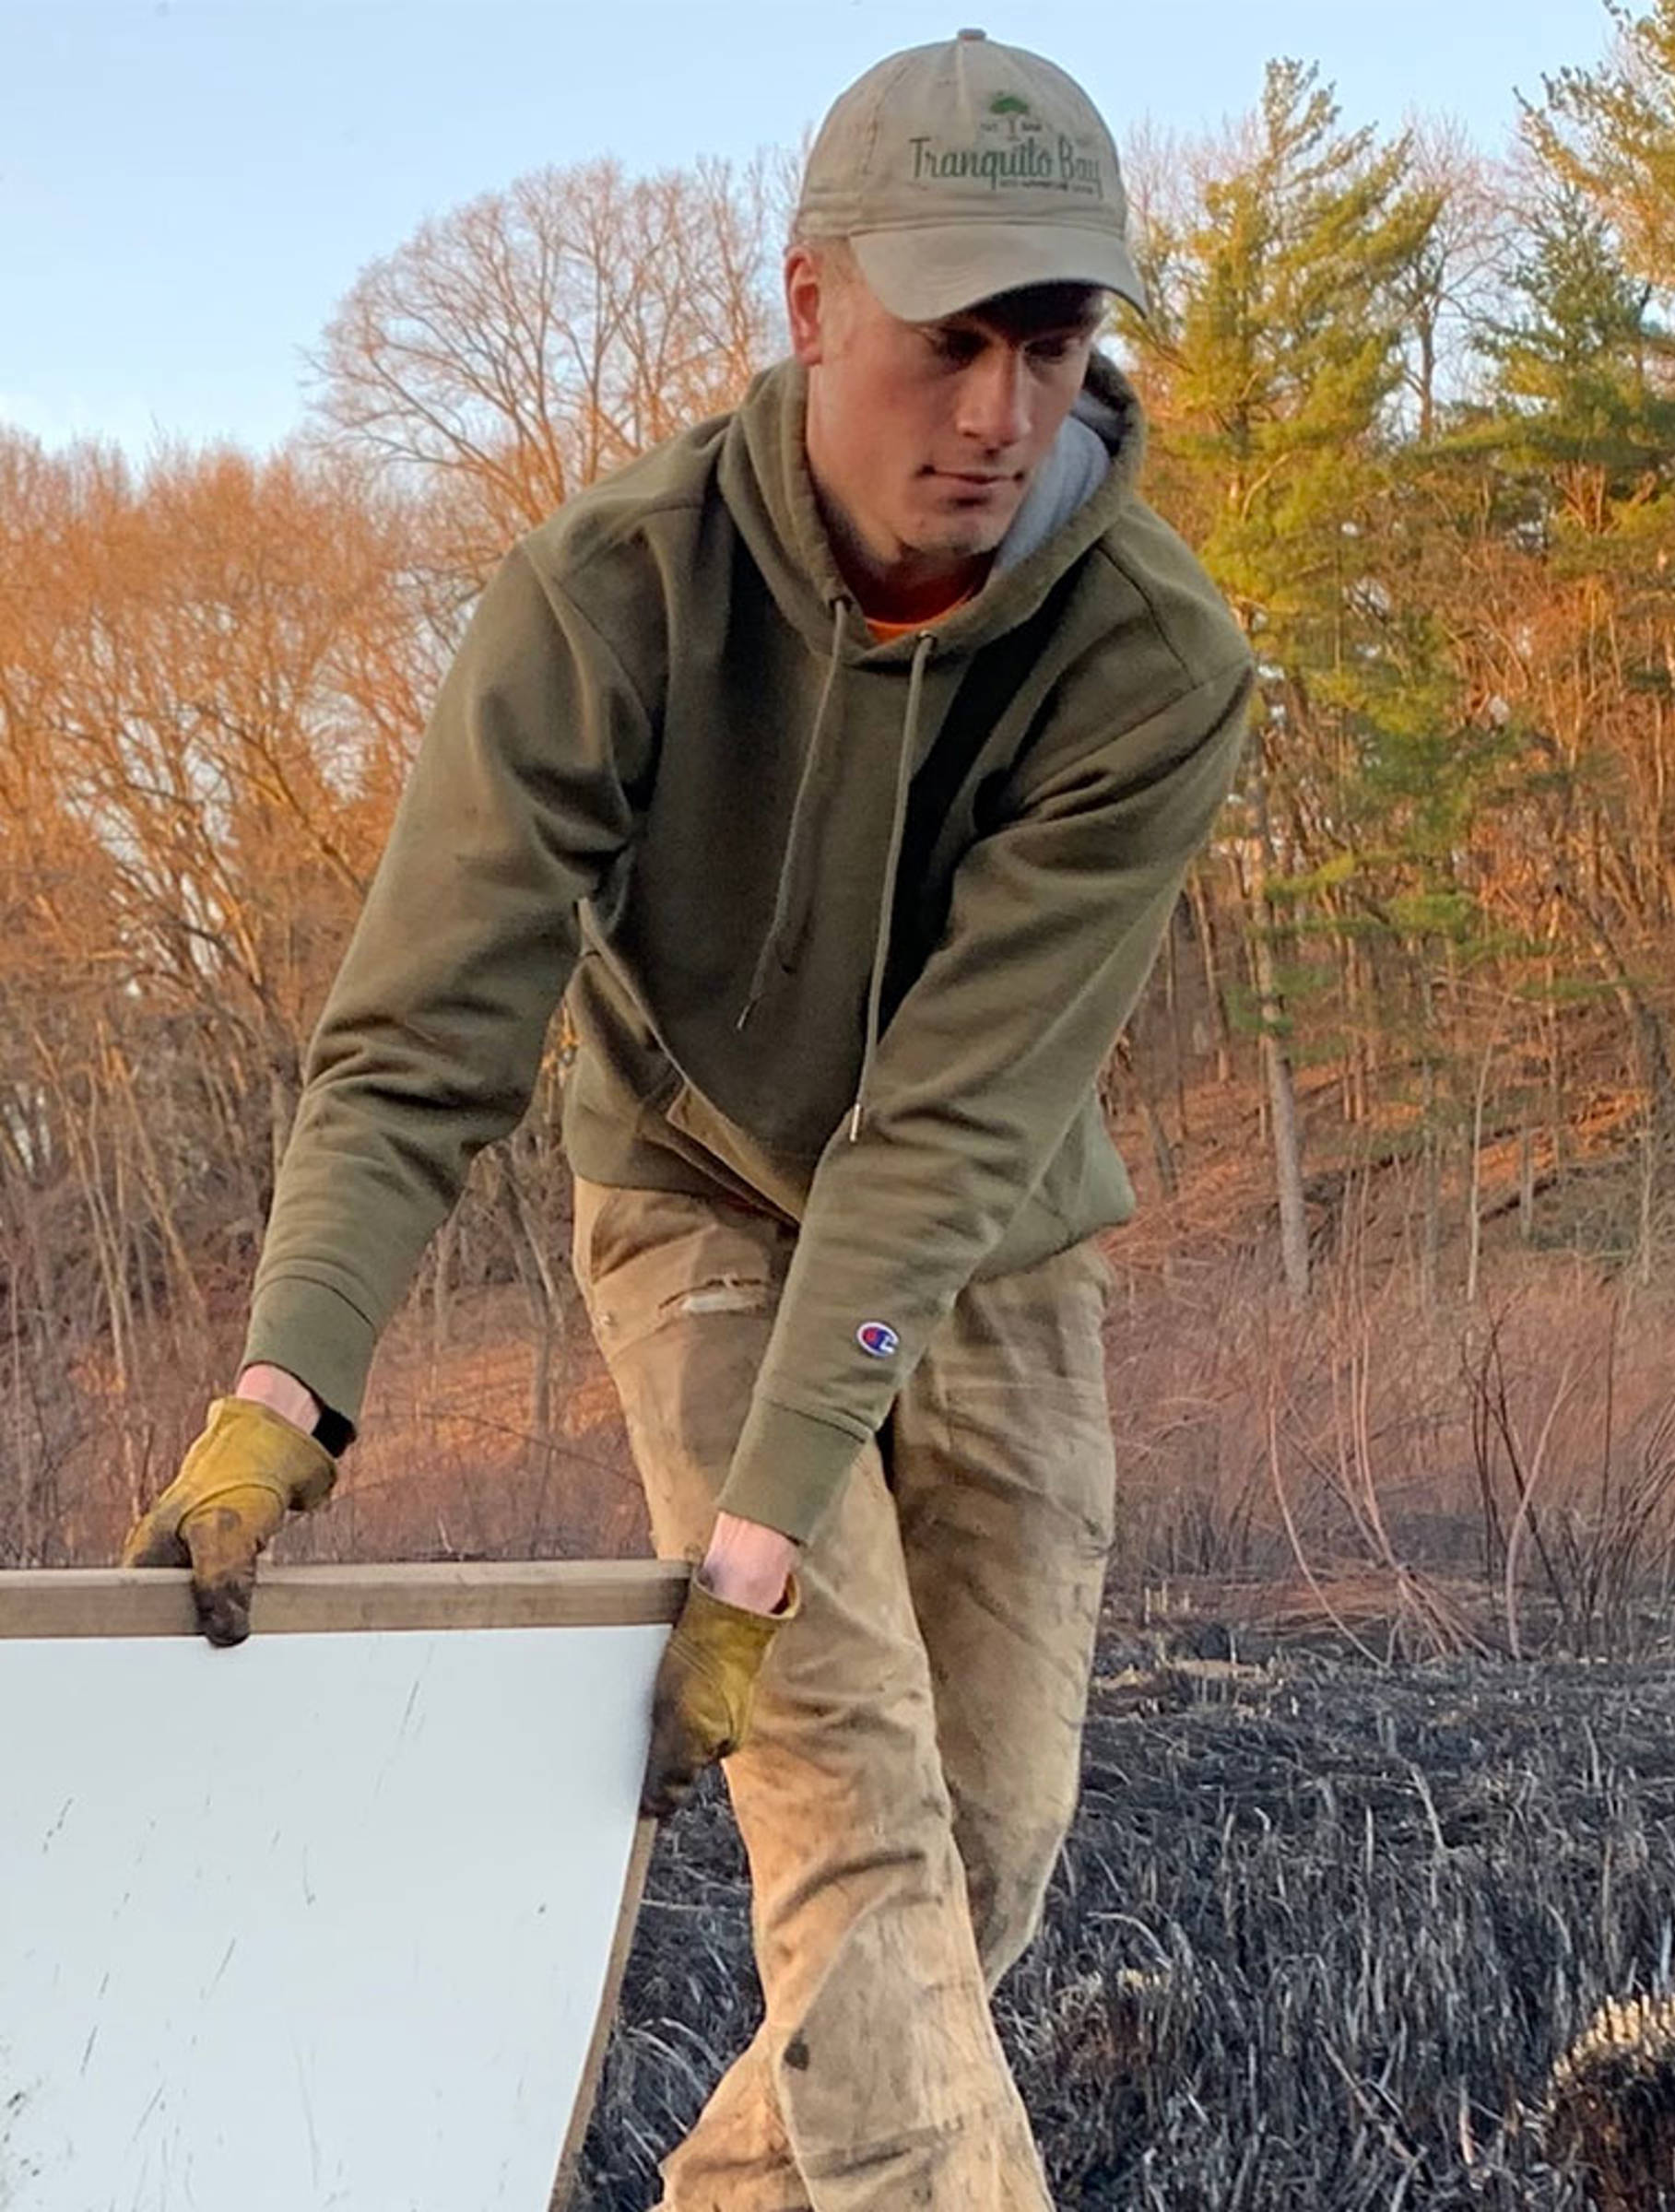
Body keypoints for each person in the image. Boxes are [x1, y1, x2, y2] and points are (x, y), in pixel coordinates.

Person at [124, 29, 1252, 2210]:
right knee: (857, 1833)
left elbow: (941, 1128)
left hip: (991, 1227)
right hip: (703, 1207)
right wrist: (290, 1381)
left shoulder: (1156, 661)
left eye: (1052, 339)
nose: (1001, 411)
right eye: (949, 339)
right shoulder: (603, 601)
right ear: (815, 303)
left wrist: (764, 1525)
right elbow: (425, 1034)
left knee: (981, 1867)